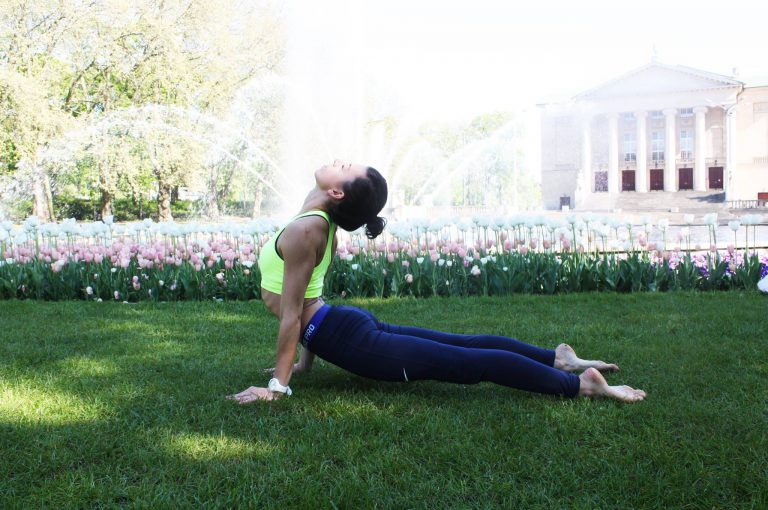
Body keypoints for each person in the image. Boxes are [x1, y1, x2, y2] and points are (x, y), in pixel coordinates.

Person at [228, 160, 646, 404]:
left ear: (337, 193)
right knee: (464, 344)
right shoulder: (314, 220)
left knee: (468, 360)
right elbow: (306, 297)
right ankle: (556, 358)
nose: (337, 161)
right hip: (339, 324)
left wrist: (277, 387)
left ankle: (577, 383)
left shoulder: (307, 228)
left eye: (343, 167)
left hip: (347, 336)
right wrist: (305, 362)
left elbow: (292, 315)